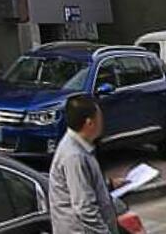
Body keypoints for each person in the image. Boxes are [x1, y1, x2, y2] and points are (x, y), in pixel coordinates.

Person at [48, 95, 127, 234]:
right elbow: (84, 208)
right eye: (100, 118)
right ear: (89, 123)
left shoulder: (80, 146)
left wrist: (108, 185)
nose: (103, 122)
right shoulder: (74, 156)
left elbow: (84, 184)